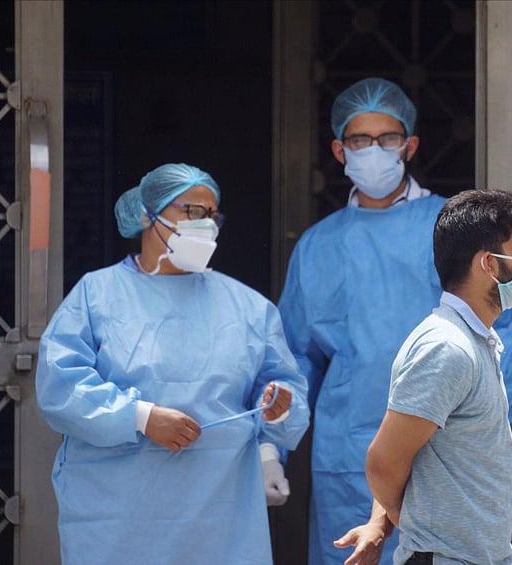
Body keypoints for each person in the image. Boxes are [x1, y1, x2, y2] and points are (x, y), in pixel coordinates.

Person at [277, 78, 512, 564]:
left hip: (445, 445)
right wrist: (274, 441)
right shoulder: (317, 245)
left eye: (387, 138)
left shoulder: (451, 227)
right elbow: (294, 355)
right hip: (346, 451)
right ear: (339, 149)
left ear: (410, 145)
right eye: (359, 140)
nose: (373, 150)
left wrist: (478, 423)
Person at [36, 163, 311, 565]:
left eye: (212, 216)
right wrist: (141, 417)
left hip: (219, 515)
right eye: (192, 212)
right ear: (148, 215)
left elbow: (283, 391)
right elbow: (61, 386)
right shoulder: (96, 295)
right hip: (118, 514)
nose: (207, 225)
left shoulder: (249, 308)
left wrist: (277, 406)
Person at [358, 188, 512, 565]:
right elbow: (384, 461)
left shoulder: (474, 341)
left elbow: (414, 448)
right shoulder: (447, 347)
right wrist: (404, 519)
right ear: (488, 263)